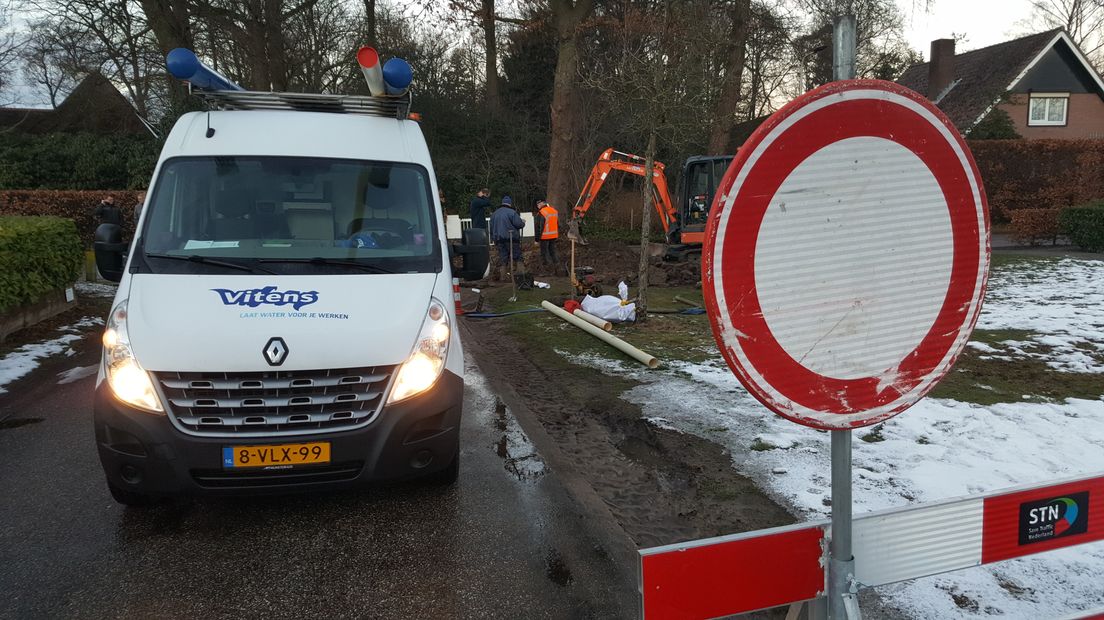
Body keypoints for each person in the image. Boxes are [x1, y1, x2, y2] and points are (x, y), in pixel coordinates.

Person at [489, 195, 524, 281]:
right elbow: (519, 224)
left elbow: (491, 228)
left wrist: (494, 238)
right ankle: (521, 276)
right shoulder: (512, 212)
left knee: (503, 258)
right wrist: (523, 223)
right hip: (512, 239)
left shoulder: (494, 214)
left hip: (499, 239)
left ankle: (503, 277)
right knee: (518, 256)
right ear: (510, 203)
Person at [534, 199, 560, 272]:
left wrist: (536, 239)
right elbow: (557, 224)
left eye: (538, 204)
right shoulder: (554, 210)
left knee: (544, 253)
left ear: (542, 204)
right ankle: (557, 266)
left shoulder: (542, 213)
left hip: (544, 236)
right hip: (554, 235)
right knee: (552, 251)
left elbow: (539, 227)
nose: (537, 206)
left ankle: (549, 269)